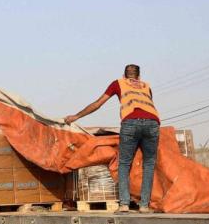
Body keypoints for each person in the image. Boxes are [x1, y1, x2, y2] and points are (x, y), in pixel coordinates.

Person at [64, 64, 160, 213]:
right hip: (153, 123)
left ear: (124, 75)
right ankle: (144, 206)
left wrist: (76, 116)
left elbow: (98, 103)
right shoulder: (146, 86)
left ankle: (124, 204)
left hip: (131, 122)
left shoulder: (118, 83)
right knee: (148, 164)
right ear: (139, 77)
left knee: (124, 163)